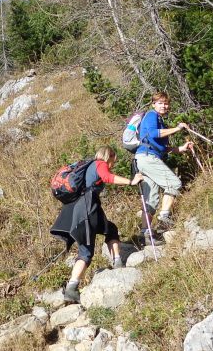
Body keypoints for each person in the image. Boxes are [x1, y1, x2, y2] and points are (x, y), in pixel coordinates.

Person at [50, 146, 143, 305]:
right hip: (87, 209)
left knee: (110, 229)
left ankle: (117, 261)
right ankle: (72, 288)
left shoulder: (89, 166)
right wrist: (131, 181)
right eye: (114, 159)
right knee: (86, 251)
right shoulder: (100, 164)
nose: (114, 162)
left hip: (83, 208)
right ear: (110, 156)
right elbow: (107, 177)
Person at [133, 92, 193, 231]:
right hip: (148, 158)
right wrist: (177, 129)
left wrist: (180, 149)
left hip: (144, 158)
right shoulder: (152, 115)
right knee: (174, 183)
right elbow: (154, 133)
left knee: (152, 199)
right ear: (153, 104)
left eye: (166, 103)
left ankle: (145, 232)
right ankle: (164, 216)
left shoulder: (159, 120)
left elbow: (161, 148)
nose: (163, 106)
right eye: (160, 103)